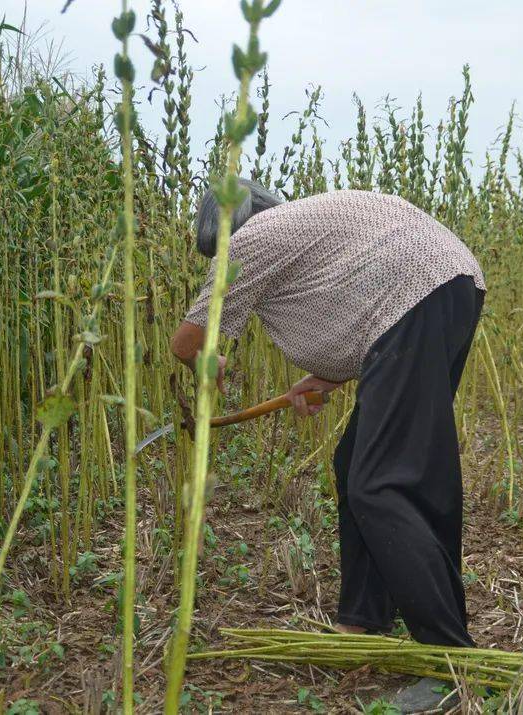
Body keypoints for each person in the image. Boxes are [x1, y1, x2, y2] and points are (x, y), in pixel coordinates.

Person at [170, 178, 485, 648]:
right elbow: (366, 303)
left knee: (379, 485)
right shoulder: (303, 226)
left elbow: (186, 343)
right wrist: (331, 376)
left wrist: (207, 362)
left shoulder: (250, 242)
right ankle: (364, 617)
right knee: (360, 462)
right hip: (453, 285)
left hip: (419, 296)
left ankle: (446, 649)